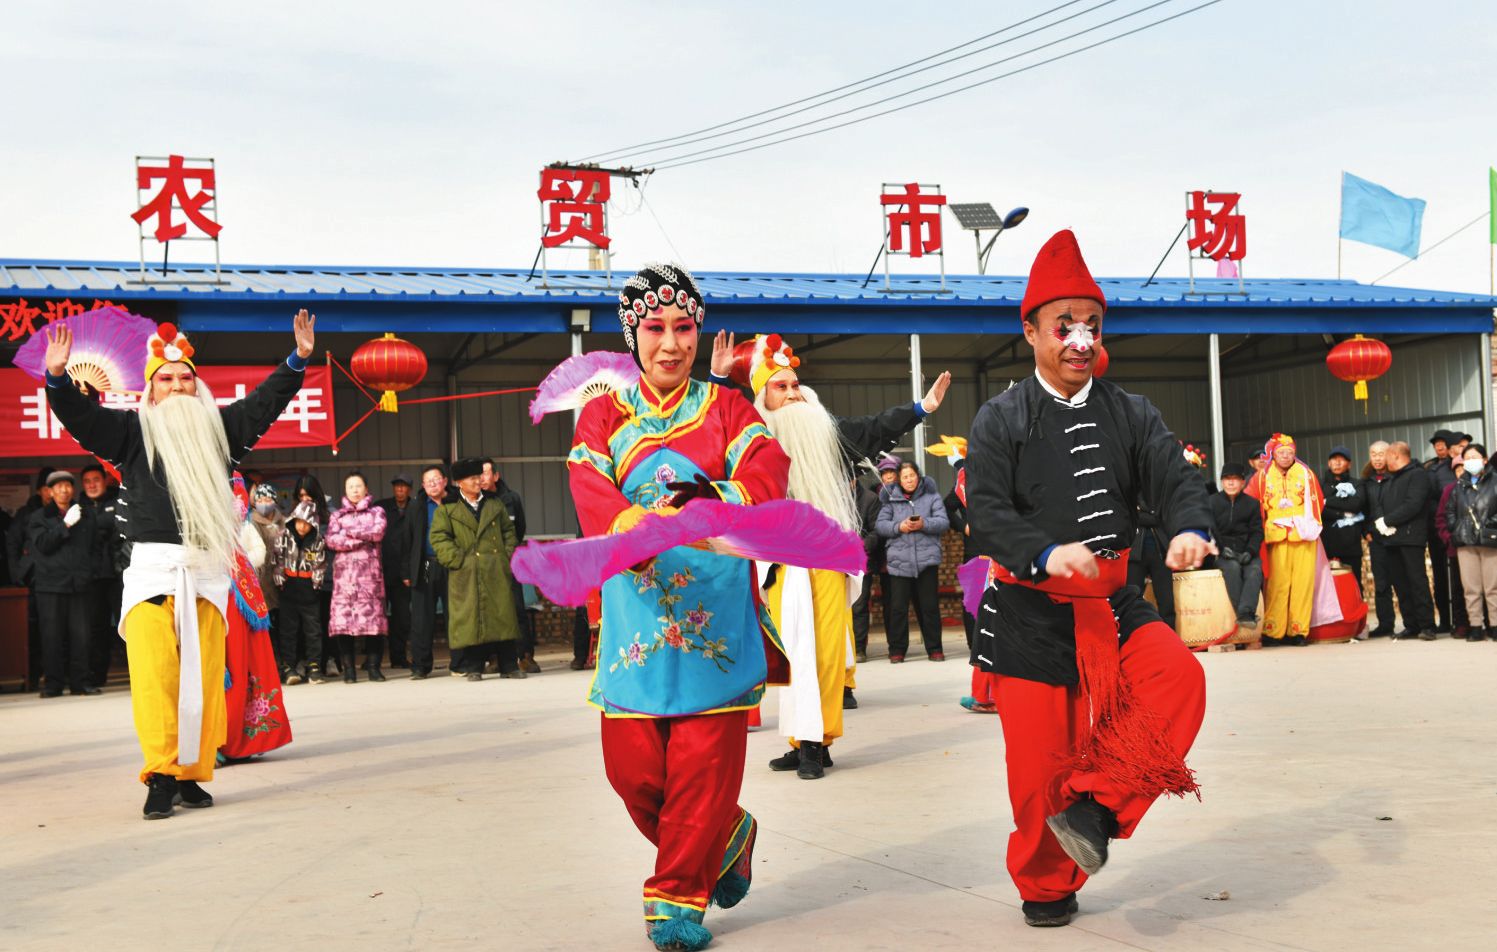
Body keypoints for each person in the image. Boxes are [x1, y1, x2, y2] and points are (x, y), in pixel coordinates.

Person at [964, 230, 1210, 928]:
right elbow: (985, 512)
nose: (1079, 340)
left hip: (1111, 601)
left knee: (1178, 678)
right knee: (1038, 774)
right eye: (1064, 325)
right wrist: (1042, 552)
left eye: (1091, 326)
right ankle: (1046, 886)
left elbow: (1174, 478)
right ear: (1030, 331)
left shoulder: (1132, 412)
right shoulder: (1000, 417)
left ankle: (1098, 809)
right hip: (1029, 611)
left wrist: (1188, 527)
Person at [569, 262, 791, 950]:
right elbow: (587, 483)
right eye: (656, 328)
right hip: (635, 617)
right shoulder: (604, 415)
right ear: (632, 336)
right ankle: (727, 835)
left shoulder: (727, 407)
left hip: (713, 615)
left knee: (700, 770)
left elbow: (767, 471)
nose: (671, 343)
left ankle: (674, 903)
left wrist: (711, 502)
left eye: (684, 328)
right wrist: (633, 529)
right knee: (631, 773)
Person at [43, 313, 314, 819]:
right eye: (165, 379)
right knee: (156, 677)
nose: (177, 386)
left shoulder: (223, 431)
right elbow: (81, 417)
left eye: (185, 378)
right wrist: (57, 379)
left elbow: (267, 401)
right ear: (151, 390)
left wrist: (298, 359)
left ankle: (191, 774)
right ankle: (160, 775)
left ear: (197, 385)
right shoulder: (130, 433)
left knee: (206, 679)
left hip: (207, 571)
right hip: (152, 571)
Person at [718, 331, 950, 776]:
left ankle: (815, 743)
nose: (793, 393)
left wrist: (921, 408)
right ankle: (804, 741)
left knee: (823, 652)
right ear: (763, 398)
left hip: (825, 556)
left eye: (795, 385)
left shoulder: (830, 432)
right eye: (781, 387)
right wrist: (719, 378)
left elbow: (877, 425)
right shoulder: (753, 438)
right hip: (780, 562)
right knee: (793, 653)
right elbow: (716, 425)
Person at [221, 474, 293, 762]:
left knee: (237, 664)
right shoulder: (230, 483)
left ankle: (231, 738)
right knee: (235, 663)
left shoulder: (233, 484)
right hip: (233, 587)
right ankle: (231, 737)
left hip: (233, 590)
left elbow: (258, 551)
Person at [430, 458, 523, 680]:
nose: (478, 481)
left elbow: (509, 533)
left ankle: (509, 665)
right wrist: (457, 559)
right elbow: (439, 538)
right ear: (459, 482)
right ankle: (474, 667)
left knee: (503, 616)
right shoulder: (447, 509)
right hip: (465, 572)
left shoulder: (494, 503)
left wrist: (505, 556)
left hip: (496, 569)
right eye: (472, 478)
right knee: (470, 618)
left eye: (479, 477)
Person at [28, 469, 100, 697]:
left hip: (80, 584)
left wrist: (90, 570)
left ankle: (81, 683)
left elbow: (96, 547)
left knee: (82, 636)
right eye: (58, 487)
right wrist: (65, 525)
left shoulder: (85, 514)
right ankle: (53, 685)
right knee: (51, 637)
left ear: (73, 489)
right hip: (50, 586)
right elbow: (42, 544)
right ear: (50, 491)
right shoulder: (39, 517)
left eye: (68, 486)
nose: (64, 490)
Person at [877, 460, 951, 663]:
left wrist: (924, 523)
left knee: (930, 607)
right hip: (899, 562)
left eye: (912, 475)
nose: (909, 480)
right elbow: (881, 525)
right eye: (905, 477)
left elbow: (943, 522)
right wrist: (899, 527)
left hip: (927, 561)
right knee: (898, 608)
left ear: (918, 476)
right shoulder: (891, 498)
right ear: (899, 480)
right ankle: (897, 650)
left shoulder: (932, 496)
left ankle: (935, 649)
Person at [1256, 434, 1324, 646]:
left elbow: (1318, 502)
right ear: (1273, 455)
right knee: (1277, 583)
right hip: (1275, 534)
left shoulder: (1306, 474)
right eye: (1281, 452)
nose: (1286, 456)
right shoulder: (1262, 476)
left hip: (1302, 533)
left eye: (1290, 452)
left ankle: (1298, 631)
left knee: (1303, 583)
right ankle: (1273, 631)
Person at [326, 472, 388, 683]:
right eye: (350, 486)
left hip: (370, 579)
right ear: (345, 490)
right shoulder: (337, 516)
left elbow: (377, 533)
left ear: (366, 488)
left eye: (358, 485)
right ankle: (349, 671)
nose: (354, 489)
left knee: (373, 624)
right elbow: (332, 540)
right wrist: (359, 540)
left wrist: (347, 533)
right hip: (344, 580)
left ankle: (374, 669)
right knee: (344, 625)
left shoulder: (376, 512)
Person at [1372, 441, 1437, 640]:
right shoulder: (1390, 479)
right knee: (1400, 584)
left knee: (1417, 582)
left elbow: (1413, 504)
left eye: (1386, 456)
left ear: (1395, 456)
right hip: (1391, 539)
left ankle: (1427, 626)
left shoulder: (1418, 475)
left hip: (1411, 537)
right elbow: (1379, 504)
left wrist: (1388, 521)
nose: (1384, 460)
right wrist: (1381, 521)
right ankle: (1411, 625)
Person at [480, 458, 537, 674]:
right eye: (478, 474)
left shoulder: (511, 499)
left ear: (495, 476)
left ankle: (525, 655)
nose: (481, 478)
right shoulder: (475, 500)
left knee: (517, 608)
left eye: (485, 473)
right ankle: (494, 657)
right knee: (490, 611)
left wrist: (508, 551)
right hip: (486, 563)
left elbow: (519, 529)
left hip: (510, 562)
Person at [401, 463, 454, 679]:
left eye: (436, 480)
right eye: (427, 481)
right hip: (424, 566)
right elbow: (407, 539)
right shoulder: (417, 505)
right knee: (421, 620)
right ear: (423, 485)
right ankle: (420, 666)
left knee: (456, 616)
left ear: (445, 481)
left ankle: (461, 663)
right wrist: (406, 571)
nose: (432, 484)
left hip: (453, 566)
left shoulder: (456, 502)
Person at [1443, 444, 1497, 641]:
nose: (1471, 461)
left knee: (1493, 587)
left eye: (1475, 457)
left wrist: (1489, 524)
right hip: (1465, 541)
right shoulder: (1459, 485)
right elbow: (1450, 510)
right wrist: (1457, 528)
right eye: (1467, 458)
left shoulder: (1495, 481)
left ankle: (1495, 625)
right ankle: (1475, 626)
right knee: (1471, 588)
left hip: (1490, 540)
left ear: (1485, 460)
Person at [79, 462, 125, 688]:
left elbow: (121, 532)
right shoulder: (78, 508)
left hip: (118, 576)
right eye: (87, 481)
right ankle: (98, 676)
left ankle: (136, 674)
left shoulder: (119, 501)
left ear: (105, 480)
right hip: (92, 579)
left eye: (96, 480)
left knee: (127, 626)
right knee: (96, 629)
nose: (92, 485)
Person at [273, 501, 329, 682]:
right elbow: (277, 561)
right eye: (299, 522)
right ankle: (288, 667)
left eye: (306, 523)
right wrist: (280, 583)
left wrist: (316, 586)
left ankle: (314, 667)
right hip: (287, 590)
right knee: (287, 631)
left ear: (313, 523)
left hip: (309, 592)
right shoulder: (283, 536)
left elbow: (321, 565)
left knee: (313, 631)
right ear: (293, 520)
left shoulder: (319, 541)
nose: (302, 527)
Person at [1209, 462, 1263, 624]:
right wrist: (1221, 548)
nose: (1231, 483)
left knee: (1254, 570)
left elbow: (1257, 532)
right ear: (1221, 482)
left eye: (1235, 479)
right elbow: (1210, 529)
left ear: (1243, 482)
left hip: (1246, 551)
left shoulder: (1252, 504)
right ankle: (1245, 615)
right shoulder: (1212, 502)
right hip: (1223, 553)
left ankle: (1245, 614)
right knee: (1232, 569)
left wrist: (1250, 552)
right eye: (1227, 479)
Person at [292, 475, 335, 673]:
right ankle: (306, 661)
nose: (305, 499)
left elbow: (330, 544)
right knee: (304, 624)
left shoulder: (330, 514)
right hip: (302, 579)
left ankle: (329, 660)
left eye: (308, 495)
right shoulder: (294, 515)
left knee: (325, 621)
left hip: (326, 577)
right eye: (301, 496)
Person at [373, 473, 414, 668]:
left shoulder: (415, 508)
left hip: (403, 575)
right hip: (379, 572)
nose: (400, 489)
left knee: (402, 620)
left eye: (404, 486)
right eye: (397, 485)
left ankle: (398, 658)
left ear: (410, 490)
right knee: (376, 618)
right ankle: (374, 660)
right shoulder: (380, 507)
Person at [248, 484, 288, 678]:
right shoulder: (251, 523)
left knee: (284, 626)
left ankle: (286, 664)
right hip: (260, 582)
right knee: (266, 628)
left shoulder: (285, 522)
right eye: (260, 500)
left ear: (275, 501)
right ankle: (269, 668)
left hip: (283, 580)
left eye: (268, 499)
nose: (264, 503)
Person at [1423, 430, 1457, 632]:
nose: (1440, 447)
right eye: (1436, 444)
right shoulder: (1431, 469)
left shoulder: (1460, 468)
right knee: (1441, 577)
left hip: (1459, 531)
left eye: (1443, 443)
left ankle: (1464, 621)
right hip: (1437, 531)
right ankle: (1445, 621)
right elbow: (1430, 501)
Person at [1361, 441, 1396, 636]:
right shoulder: (1366, 482)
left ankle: (1413, 623)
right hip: (1376, 539)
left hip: (1396, 537)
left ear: (1389, 455)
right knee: (1381, 584)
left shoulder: (1396, 478)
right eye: (1373, 454)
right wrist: (1366, 532)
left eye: (1381, 454)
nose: (1377, 458)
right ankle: (1385, 625)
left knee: (1402, 581)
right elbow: (1363, 509)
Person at [850, 476, 884, 666]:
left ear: (856, 477)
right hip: (833, 560)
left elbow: (877, 531)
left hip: (860, 560)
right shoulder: (828, 494)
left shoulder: (870, 499)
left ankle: (859, 648)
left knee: (859, 606)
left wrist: (859, 546)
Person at [1320, 446, 1366, 578]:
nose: (1337, 463)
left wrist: (1327, 501)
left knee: (1353, 582)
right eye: (1334, 459)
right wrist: (1342, 514)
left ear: (1349, 464)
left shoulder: (1357, 484)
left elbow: (1355, 505)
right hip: (1326, 545)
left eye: (1342, 460)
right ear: (1329, 463)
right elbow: (1318, 509)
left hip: (1350, 546)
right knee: (1326, 584)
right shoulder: (1320, 484)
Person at [1126, 506, 1176, 629]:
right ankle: (1133, 636)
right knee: (1132, 601)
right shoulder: (1131, 494)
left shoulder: (1159, 496)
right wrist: (1153, 513)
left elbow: (1165, 514)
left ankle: (1169, 638)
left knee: (1167, 603)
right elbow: (1129, 515)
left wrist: (1141, 511)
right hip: (1135, 554)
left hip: (1161, 553)